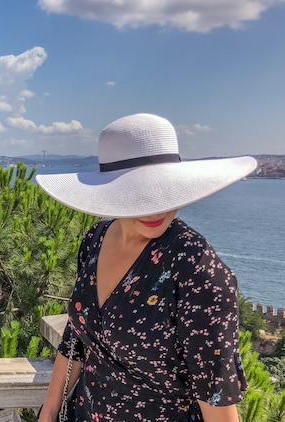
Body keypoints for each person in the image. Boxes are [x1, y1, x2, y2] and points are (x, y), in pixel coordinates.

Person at [35, 113, 256, 422]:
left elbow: (216, 399)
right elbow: (76, 336)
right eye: (138, 194)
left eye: (165, 191)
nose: (157, 208)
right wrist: (49, 409)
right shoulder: (95, 240)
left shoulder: (195, 268)